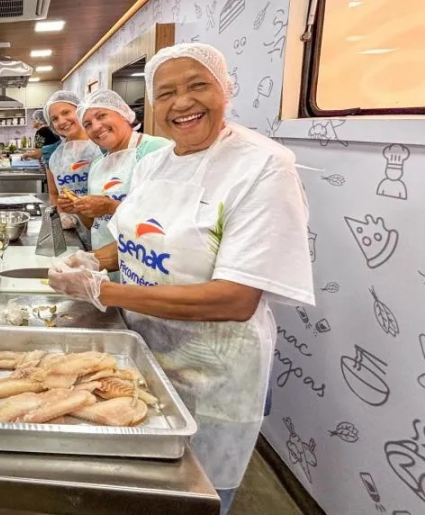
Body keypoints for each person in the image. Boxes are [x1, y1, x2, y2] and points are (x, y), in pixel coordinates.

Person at [47, 43, 314, 513]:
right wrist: (93, 262)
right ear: (151, 104)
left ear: (225, 89)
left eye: (197, 86)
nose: (182, 103)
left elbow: (236, 299)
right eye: (166, 92)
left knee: (192, 496)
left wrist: (102, 291)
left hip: (212, 372)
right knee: (137, 491)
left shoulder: (263, 166)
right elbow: (139, 243)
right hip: (141, 352)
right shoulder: (156, 163)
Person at [71, 89, 170, 252]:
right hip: (105, 267)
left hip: (146, 265)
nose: (96, 127)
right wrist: (79, 207)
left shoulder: (156, 150)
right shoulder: (97, 165)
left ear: (123, 113)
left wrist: (111, 207)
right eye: (87, 124)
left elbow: (169, 222)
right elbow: (94, 224)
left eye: (101, 116)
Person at [42, 90, 102, 230]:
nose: (62, 121)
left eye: (66, 112)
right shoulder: (53, 155)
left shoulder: (102, 147)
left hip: (105, 228)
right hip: (73, 230)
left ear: (80, 110)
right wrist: (62, 214)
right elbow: (54, 193)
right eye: (55, 119)